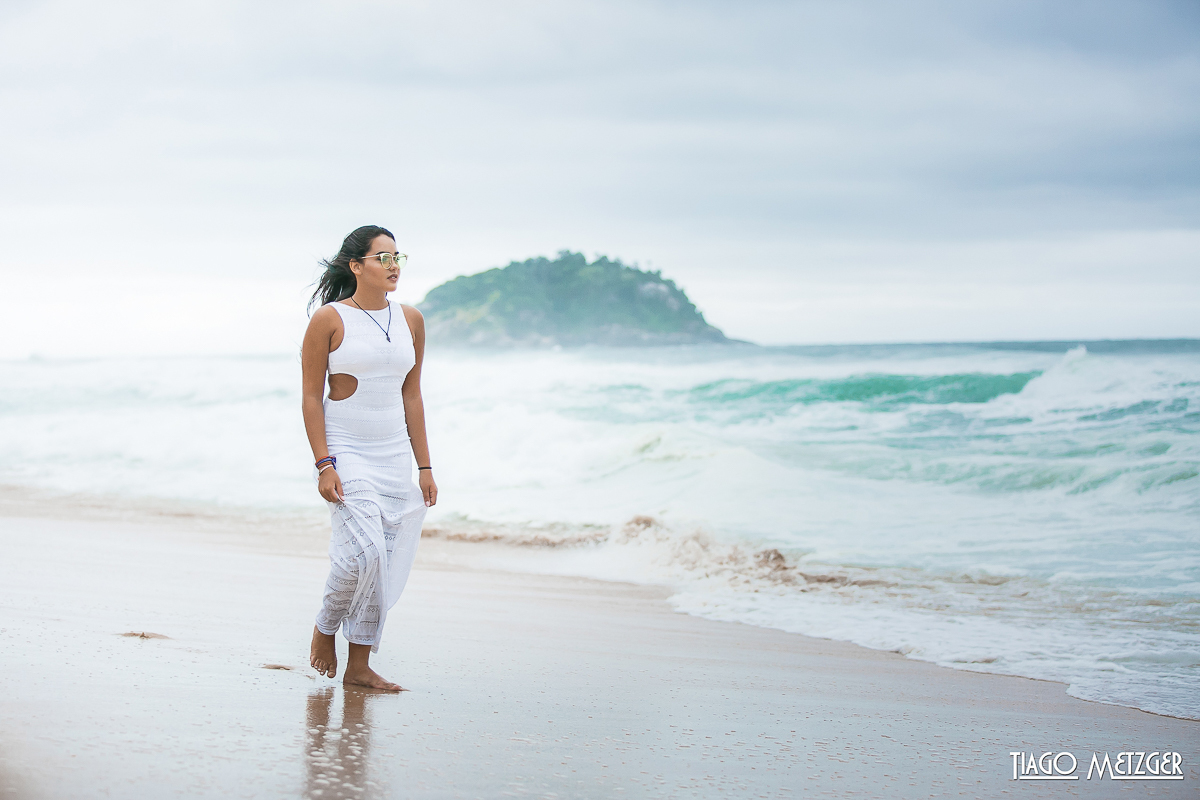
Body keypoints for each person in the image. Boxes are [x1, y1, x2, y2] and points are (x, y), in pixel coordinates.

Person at [301, 225, 437, 691]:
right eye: (382, 257)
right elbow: (309, 397)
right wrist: (324, 463)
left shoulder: (412, 320)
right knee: (362, 555)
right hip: (348, 450)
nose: (393, 265)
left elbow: (413, 397)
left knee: (387, 560)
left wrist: (425, 467)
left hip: (396, 453)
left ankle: (359, 665)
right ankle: (324, 629)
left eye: (397, 256)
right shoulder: (330, 319)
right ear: (356, 266)